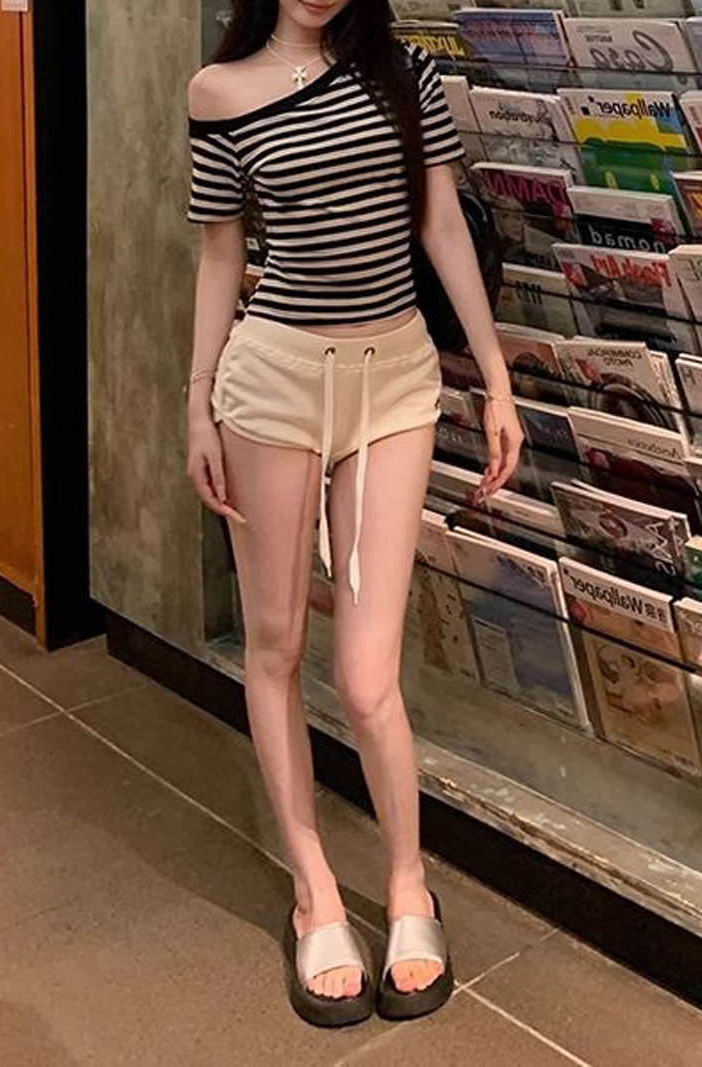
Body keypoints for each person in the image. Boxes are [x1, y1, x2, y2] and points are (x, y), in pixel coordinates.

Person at [185, 0, 523, 1028]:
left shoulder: (402, 73)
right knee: (277, 641)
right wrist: (194, 402)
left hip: (395, 382)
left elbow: (438, 227)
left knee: (369, 675)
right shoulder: (219, 91)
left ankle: (408, 882)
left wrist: (495, 375)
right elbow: (219, 256)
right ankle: (314, 892)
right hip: (271, 383)